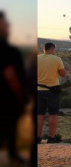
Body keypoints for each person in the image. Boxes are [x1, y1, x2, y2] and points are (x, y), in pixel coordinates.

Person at [0, 11, 27, 164]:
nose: (8, 26)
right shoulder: (6, 49)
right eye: (5, 23)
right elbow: (10, 75)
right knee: (9, 126)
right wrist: (20, 96)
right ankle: (13, 155)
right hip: (7, 97)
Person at [37, 42, 66, 144]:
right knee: (53, 114)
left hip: (38, 90)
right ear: (53, 49)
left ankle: (37, 137)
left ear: (43, 49)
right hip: (52, 91)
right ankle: (51, 137)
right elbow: (63, 74)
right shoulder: (57, 59)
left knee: (39, 114)